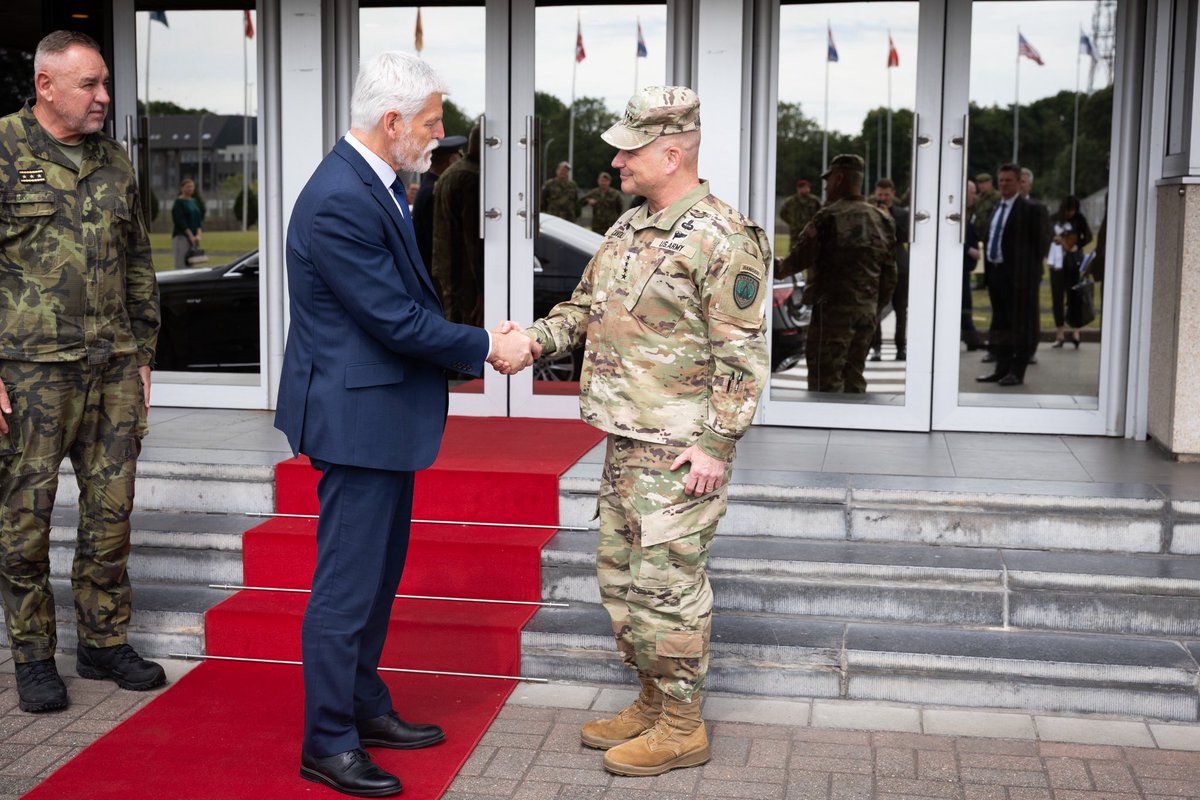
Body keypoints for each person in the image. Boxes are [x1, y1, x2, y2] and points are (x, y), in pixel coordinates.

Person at [273, 51, 534, 798]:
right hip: (355, 421)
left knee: (376, 580)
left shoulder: (377, 183)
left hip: (377, 417)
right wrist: (489, 344)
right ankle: (326, 742)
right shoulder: (339, 198)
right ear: (392, 123)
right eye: (431, 122)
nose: (440, 134)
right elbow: (393, 319)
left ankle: (362, 706)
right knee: (346, 589)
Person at [520, 86, 770, 778]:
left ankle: (683, 726)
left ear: (670, 151)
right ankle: (652, 701)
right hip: (626, 441)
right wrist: (531, 343)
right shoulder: (628, 229)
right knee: (624, 584)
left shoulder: (724, 237)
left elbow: (743, 357)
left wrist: (718, 445)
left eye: (628, 150)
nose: (617, 160)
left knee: (669, 589)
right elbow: (581, 308)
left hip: (680, 452)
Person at [0, 30, 165, 715]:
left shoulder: (114, 160)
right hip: (30, 375)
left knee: (110, 514)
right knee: (24, 520)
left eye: (104, 84)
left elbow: (137, 262)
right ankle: (35, 655)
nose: (103, 97)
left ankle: (102, 640)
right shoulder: (4, 150)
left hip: (112, 369)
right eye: (89, 85)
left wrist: (146, 355)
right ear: (45, 86)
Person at [777, 154, 897, 393]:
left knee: (825, 382)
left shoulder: (828, 217)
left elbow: (798, 259)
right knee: (854, 377)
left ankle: (826, 431)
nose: (825, 186)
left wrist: (776, 267)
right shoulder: (882, 219)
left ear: (839, 178)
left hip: (832, 317)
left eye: (828, 180)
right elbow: (889, 275)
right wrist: (874, 307)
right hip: (866, 315)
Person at [977, 163, 1051, 387]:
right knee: (1000, 325)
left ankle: (1017, 371)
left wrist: (1029, 275)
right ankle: (1001, 369)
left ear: (1019, 183)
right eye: (1001, 180)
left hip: (1021, 280)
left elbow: (1042, 245)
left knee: (1021, 326)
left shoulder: (1032, 210)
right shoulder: (995, 208)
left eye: (1008, 180)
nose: (1003, 184)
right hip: (997, 275)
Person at [431, 125, 483, 326]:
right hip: (462, 276)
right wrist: (482, 290)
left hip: (447, 270)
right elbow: (472, 240)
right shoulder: (470, 177)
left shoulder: (454, 172)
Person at [868, 178, 910, 361]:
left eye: (886, 194)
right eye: (879, 194)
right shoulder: (869, 212)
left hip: (899, 264)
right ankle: (875, 347)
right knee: (875, 308)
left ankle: (901, 347)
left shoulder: (901, 213)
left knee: (901, 308)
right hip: (876, 265)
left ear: (893, 193)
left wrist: (889, 218)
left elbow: (904, 236)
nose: (883, 198)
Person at [411, 134, 466, 269]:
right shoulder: (433, 192)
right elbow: (436, 240)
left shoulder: (430, 186)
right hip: (434, 270)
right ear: (452, 162)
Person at [1047, 195, 1092, 348]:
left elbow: (1088, 237)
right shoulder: (1053, 219)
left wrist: (1077, 245)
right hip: (1057, 264)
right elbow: (1046, 235)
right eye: (1068, 211)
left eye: (1073, 211)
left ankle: (1076, 331)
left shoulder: (1079, 219)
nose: (1070, 214)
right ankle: (1059, 333)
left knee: (1074, 296)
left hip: (1073, 263)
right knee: (1057, 298)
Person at [961, 180, 985, 351]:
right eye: (972, 192)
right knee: (964, 304)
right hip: (960, 267)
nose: (974, 196)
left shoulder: (968, 213)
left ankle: (971, 337)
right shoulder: (958, 213)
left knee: (966, 304)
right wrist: (969, 249)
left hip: (965, 268)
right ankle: (971, 338)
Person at [972, 172, 1000, 292]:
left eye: (984, 183)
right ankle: (980, 282)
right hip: (979, 233)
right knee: (980, 260)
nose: (982, 186)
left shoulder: (997, 197)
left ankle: (991, 281)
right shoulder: (978, 199)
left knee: (991, 260)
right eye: (980, 183)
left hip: (991, 233)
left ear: (990, 183)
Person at [171, 177, 204, 269]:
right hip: (182, 237)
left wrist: (198, 235)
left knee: (191, 264)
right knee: (182, 263)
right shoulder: (179, 203)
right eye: (188, 186)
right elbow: (179, 221)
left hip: (193, 238)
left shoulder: (194, 201)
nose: (190, 189)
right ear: (182, 188)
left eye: (192, 187)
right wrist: (190, 235)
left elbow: (198, 219)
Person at [778, 178, 821, 243]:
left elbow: (821, 214)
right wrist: (792, 222)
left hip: (810, 231)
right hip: (795, 232)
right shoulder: (790, 201)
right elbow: (782, 214)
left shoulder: (814, 201)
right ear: (798, 188)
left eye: (808, 187)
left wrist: (815, 226)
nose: (807, 189)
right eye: (805, 187)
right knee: (795, 250)